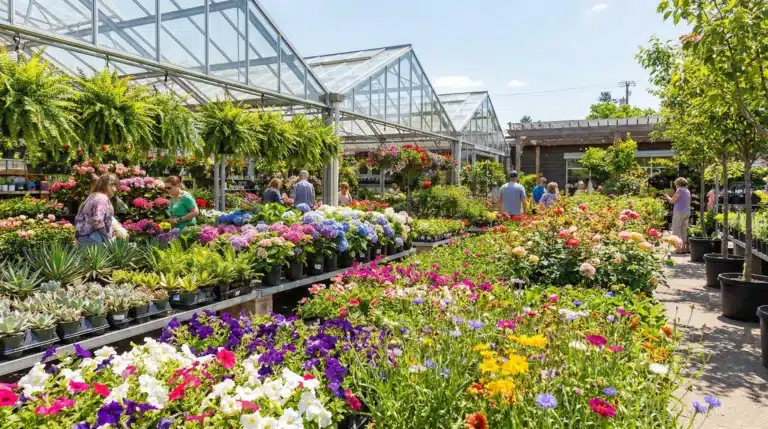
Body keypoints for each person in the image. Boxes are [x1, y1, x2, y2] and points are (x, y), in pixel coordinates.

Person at [75, 174, 119, 246]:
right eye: (113, 185)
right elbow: (97, 221)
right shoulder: (102, 198)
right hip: (95, 240)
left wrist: (110, 231)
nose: (115, 189)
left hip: (83, 239)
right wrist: (107, 240)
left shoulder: (91, 196)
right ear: (108, 185)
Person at [663, 177, 691, 253]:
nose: (675, 186)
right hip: (687, 212)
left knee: (676, 230)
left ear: (678, 184)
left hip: (679, 212)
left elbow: (672, 201)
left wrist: (666, 196)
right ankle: (683, 248)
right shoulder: (687, 190)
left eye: (676, 184)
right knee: (683, 230)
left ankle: (678, 249)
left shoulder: (679, 190)